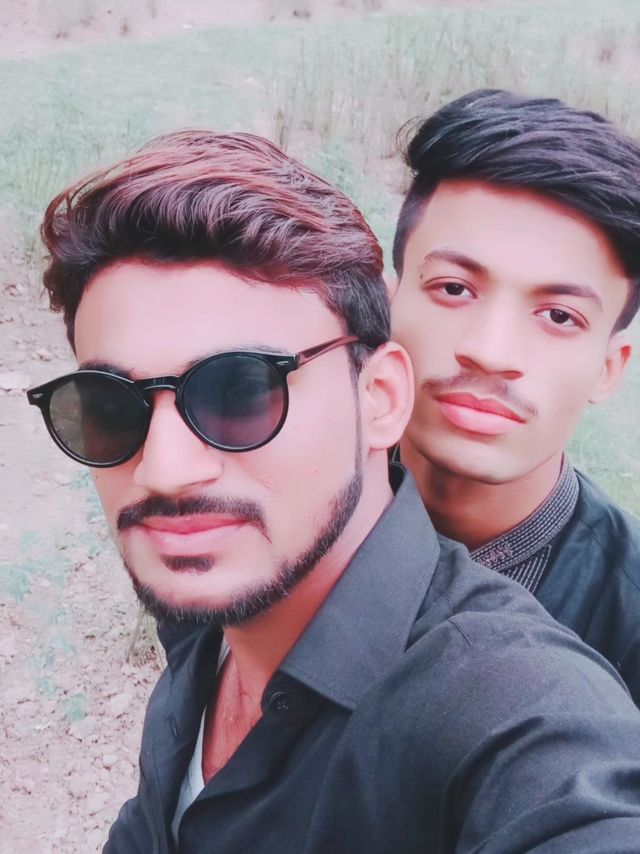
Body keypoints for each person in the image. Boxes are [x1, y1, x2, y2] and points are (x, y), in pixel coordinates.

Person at [29, 130, 640, 853]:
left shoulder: (532, 708)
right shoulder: (231, 570)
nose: (165, 471)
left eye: (242, 392)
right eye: (107, 408)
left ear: (380, 395)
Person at [391, 88, 640, 706]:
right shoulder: (286, 503)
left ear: (609, 369)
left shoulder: (629, 623)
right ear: (386, 303)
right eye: (454, 288)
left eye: (559, 316)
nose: (491, 351)